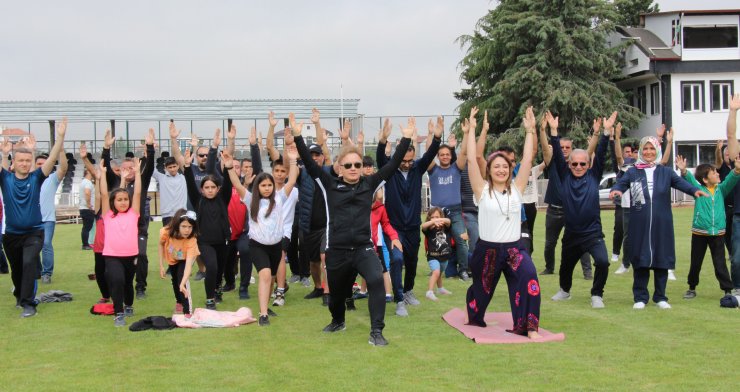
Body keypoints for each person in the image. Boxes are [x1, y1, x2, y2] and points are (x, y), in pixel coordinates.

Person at [294, 112, 413, 346]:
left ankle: (376, 331)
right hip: (336, 250)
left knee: (376, 279)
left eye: (357, 165)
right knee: (337, 294)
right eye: (347, 165)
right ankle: (338, 320)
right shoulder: (328, 183)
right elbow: (309, 163)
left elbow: (392, 165)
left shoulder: (369, 183)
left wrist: (406, 139)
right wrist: (298, 137)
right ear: (339, 167)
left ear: (361, 167)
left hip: (363, 248)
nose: (353, 168)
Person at [464, 106, 541, 339]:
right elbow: (470, 160)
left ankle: (529, 326)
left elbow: (528, 158)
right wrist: (472, 132)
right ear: (489, 170)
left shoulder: (517, 189)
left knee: (529, 278)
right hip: (487, 250)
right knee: (481, 293)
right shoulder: (482, 191)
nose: (500, 170)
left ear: (510, 170)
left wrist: (530, 131)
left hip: (515, 248)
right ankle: (475, 312)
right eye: (496, 166)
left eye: (504, 167)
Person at [610, 134, 704, 309]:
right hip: (639, 222)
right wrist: (616, 190)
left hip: (662, 223)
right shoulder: (633, 171)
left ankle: (660, 296)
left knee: (661, 256)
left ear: (657, 151)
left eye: (652, 148)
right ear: (640, 151)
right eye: (645, 148)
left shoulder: (665, 172)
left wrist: (694, 191)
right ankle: (640, 297)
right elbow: (621, 184)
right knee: (640, 257)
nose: (648, 152)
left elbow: (681, 184)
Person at [0, 119, 66, 318]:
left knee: (29, 263)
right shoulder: (5, 178)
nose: (24, 163)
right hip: (11, 235)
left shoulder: (36, 178)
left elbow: (53, 159)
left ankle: (29, 304)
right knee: (17, 270)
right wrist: (3, 153)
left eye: (27, 160)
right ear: (14, 162)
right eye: (20, 160)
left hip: (34, 233)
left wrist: (60, 137)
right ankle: (21, 296)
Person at [547, 112, 613, 308]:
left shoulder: (593, 176)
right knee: (565, 266)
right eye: (574, 163)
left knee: (603, 262)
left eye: (582, 163)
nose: (578, 166)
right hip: (572, 234)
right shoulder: (565, 176)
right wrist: (553, 132)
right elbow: (558, 156)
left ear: (588, 164)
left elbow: (600, 152)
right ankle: (565, 291)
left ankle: (597, 294)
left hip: (593, 233)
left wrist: (606, 132)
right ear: (569, 164)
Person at [228, 143, 298, 326]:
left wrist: (293, 160)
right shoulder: (251, 200)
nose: (267, 188)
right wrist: (229, 167)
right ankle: (263, 314)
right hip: (257, 245)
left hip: (276, 245)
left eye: (269, 185)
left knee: (271, 277)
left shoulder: (280, 198)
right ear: (257, 187)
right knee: (265, 275)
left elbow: (291, 181)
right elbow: (236, 183)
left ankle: (265, 306)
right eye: (263, 185)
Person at [378, 115, 443, 310]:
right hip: (394, 228)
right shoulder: (389, 171)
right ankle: (399, 300)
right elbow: (381, 157)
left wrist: (437, 137)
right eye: (403, 160)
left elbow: (431, 154)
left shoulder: (417, 169)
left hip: (413, 226)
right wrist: (382, 141)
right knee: (397, 261)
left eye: (410, 160)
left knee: (412, 261)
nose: (406, 164)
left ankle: (408, 291)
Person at [101, 128, 155, 299]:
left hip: (139, 229)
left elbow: (151, 164)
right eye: (123, 168)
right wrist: (106, 148)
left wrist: (150, 147)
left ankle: (140, 287)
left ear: (136, 168)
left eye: (131, 168)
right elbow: (104, 166)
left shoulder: (142, 181)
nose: (127, 171)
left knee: (142, 255)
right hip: (118, 233)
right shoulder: (117, 183)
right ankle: (121, 286)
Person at [183, 130, 233, 310]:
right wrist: (187, 167)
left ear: (217, 189)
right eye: (207, 187)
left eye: (213, 187)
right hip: (204, 241)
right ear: (202, 189)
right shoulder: (198, 201)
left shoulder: (223, 198)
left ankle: (217, 287)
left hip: (222, 240)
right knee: (211, 267)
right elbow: (190, 184)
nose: (210, 190)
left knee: (219, 269)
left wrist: (228, 168)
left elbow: (228, 184)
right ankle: (210, 298)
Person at [676, 155, 738, 299]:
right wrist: (684, 170)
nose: (717, 174)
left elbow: (731, 179)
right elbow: (689, 179)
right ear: (705, 179)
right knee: (696, 263)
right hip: (699, 233)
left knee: (720, 263)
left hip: (718, 233)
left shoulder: (721, 189)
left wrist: (736, 169)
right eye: (714, 173)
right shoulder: (698, 189)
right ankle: (691, 288)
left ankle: (727, 290)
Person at [540, 114, 594, 279]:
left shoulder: (577, 165)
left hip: (573, 211)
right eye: (561, 147)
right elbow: (544, 149)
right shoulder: (553, 162)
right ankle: (549, 268)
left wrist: (596, 137)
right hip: (554, 211)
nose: (563, 150)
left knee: (580, 241)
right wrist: (543, 130)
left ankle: (587, 272)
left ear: (571, 149)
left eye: (567, 148)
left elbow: (589, 152)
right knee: (550, 243)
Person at [99, 156, 142, 327]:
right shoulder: (108, 215)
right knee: (116, 280)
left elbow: (137, 192)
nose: (123, 202)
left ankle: (129, 304)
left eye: (125, 199)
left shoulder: (134, 213)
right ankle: (118, 313)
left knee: (127, 282)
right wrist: (102, 174)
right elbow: (103, 193)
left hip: (131, 255)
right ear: (113, 202)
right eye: (119, 200)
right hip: (112, 255)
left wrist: (138, 173)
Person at [426, 118, 470, 282]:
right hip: (437, 213)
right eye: (441, 155)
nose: (444, 157)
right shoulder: (433, 170)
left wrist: (465, 134)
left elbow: (464, 153)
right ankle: (437, 270)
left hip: (456, 212)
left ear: (451, 155)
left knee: (461, 240)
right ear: (438, 156)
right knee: (437, 243)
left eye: (447, 154)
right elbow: (428, 154)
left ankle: (463, 270)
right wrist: (431, 134)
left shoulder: (456, 168)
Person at [158, 209, 200, 317]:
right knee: (175, 280)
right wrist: (161, 265)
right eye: (184, 226)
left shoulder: (192, 240)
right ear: (177, 225)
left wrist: (183, 282)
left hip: (186, 259)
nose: (187, 230)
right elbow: (161, 244)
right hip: (172, 258)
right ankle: (179, 302)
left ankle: (188, 312)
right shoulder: (166, 232)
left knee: (182, 279)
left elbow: (188, 267)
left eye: (190, 227)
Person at [37, 148, 69, 284]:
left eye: (45, 164)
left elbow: (63, 168)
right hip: (31, 219)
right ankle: (35, 271)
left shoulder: (52, 179)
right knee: (30, 248)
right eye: (39, 164)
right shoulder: (30, 178)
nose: (42, 166)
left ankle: (46, 273)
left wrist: (61, 150)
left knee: (46, 244)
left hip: (47, 219)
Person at [724, 92, 740, 296]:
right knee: (736, 257)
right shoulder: (738, 163)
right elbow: (730, 136)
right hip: (739, 216)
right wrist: (733, 111)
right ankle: (737, 288)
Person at [421, 207, 453, 301]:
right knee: (436, 272)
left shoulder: (446, 227)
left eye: (437, 216)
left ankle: (440, 289)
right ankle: (429, 292)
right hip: (433, 256)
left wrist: (440, 220)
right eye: (433, 217)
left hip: (445, 256)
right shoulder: (429, 229)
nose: (435, 219)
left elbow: (448, 220)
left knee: (439, 273)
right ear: (429, 218)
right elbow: (423, 226)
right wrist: (433, 222)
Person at [78, 164, 95, 250]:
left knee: (86, 227)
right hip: (87, 208)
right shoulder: (88, 182)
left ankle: (85, 243)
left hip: (83, 208)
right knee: (87, 227)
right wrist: (88, 204)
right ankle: (85, 244)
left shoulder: (83, 182)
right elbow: (87, 192)